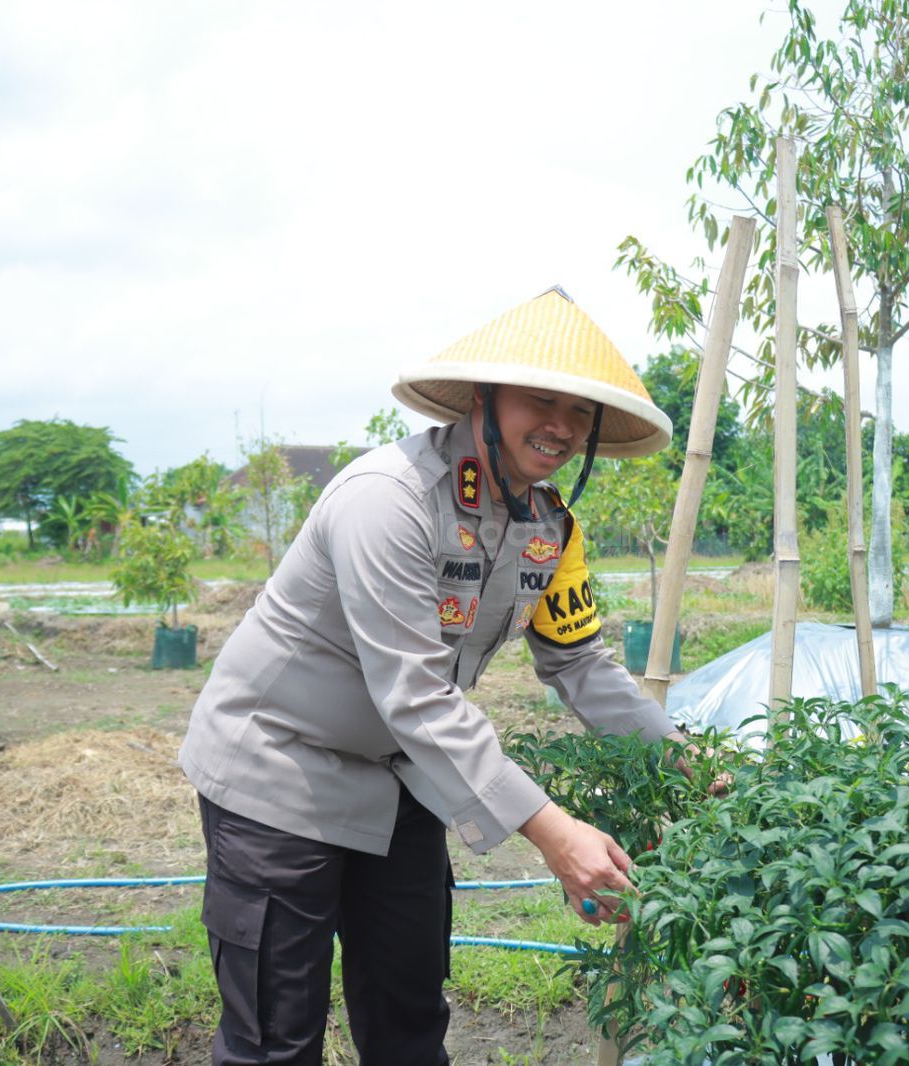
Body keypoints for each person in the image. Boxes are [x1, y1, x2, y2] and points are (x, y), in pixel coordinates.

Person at [179, 287, 684, 1065]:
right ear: (483, 399)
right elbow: (415, 693)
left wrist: (689, 765)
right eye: (540, 400)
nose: (560, 426)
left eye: (580, 412)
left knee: (409, 1019)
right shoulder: (389, 501)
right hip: (279, 771)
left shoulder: (551, 526)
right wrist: (555, 836)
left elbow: (580, 662)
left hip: (401, 777)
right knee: (274, 1041)